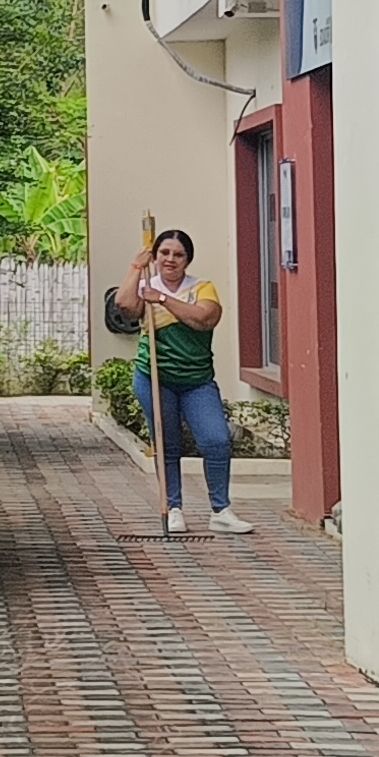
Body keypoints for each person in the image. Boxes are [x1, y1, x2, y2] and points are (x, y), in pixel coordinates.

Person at [104, 226, 253, 539]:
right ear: (155, 256)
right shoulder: (146, 284)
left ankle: (221, 511)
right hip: (155, 378)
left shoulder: (202, 288)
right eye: (164, 253)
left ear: (187, 259)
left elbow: (204, 319)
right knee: (167, 443)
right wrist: (136, 266)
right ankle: (173, 508)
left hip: (197, 381)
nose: (170, 259)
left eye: (178, 254)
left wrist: (162, 299)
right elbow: (125, 306)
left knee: (216, 440)